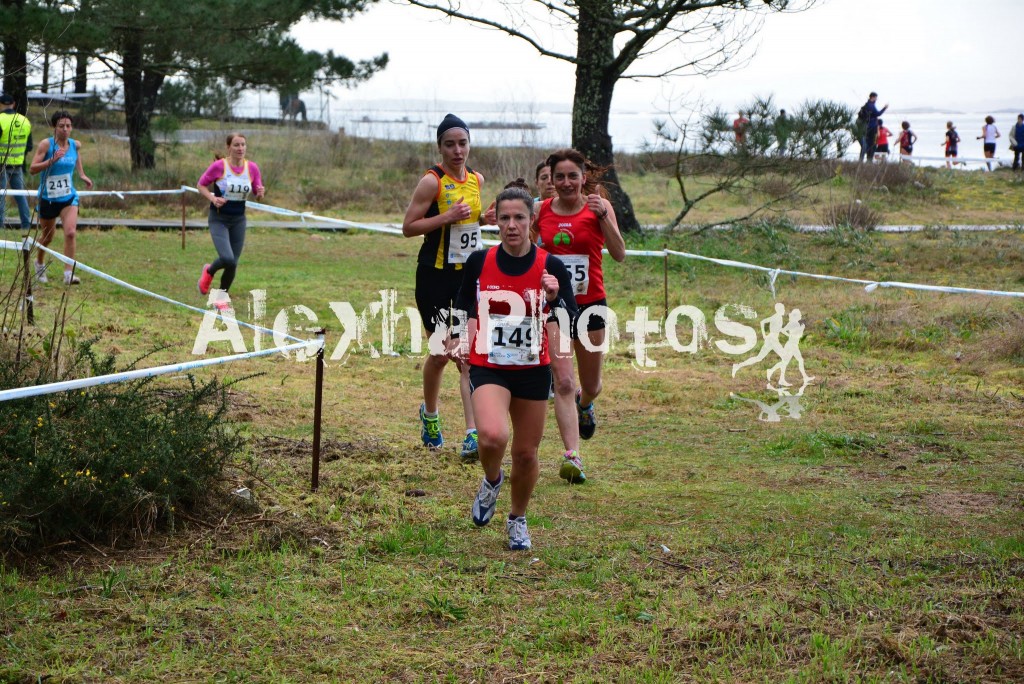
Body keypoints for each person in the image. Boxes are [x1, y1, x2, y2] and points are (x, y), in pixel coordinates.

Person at [450, 179, 576, 551]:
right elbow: (463, 304)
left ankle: (517, 518)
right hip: (490, 363)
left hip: (532, 369)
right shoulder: (480, 261)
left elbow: (573, 315)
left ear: (532, 220)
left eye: (519, 217)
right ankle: (491, 480)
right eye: (504, 218)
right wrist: (458, 337)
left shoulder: (550, 265)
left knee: (525, 454)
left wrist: (553, 298)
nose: (511, 225)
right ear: (496, 222)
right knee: (492, 436)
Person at [402, 114, 494, 459]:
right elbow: (409, 227)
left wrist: (484, 219)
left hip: (467, 277)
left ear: (470, 144)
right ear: (440, 147)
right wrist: (445, 218)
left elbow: (469, 222)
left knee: (466, 356)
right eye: (450, 144)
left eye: (463, 143)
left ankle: (472, 434)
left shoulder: (476, 180)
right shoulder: (432, 182)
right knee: (442, 354)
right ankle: (430, 415)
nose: (458, 150)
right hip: (434, 279)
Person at [535, 148, 626, 484]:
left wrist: (604, 217)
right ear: (551, 179)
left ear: (583, 177)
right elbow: (530, 253)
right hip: (556, 306)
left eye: (573, 176)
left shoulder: (597, 207)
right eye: (559, 176)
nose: (566, 182)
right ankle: (572, 455)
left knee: (591, 385)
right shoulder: (541, 211)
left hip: (591, 305)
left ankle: (585, 405)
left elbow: (619, 253)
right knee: (563, 380)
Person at [196, 133, 265, 310]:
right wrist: (212, 198)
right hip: (219, 218)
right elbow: (201, 185)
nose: (240, 148)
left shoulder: (252, 168)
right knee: (227, 258)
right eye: (236, 145)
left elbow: (257, 193)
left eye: (243, 145)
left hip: (238, 220)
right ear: (229, 148)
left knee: (233, 262)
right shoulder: (219, 166)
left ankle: (221, 298)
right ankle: (209, 270)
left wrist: (260, 193)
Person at [29, 110, 93, 285]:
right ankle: (39, 262)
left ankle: (68, 273)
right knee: (47, 237)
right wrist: (52, 160)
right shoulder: (46, 145)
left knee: (71, 233)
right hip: (48, 198)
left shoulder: (75, 144)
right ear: (54, 127)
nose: (65, 129)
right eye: (61, 126)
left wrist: (81, 174)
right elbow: (32, 169)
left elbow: (77, 153)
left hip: (68, 197)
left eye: (68, 126)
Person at [0, 93, 32, 233]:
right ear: (13, 104)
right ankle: (26, 224)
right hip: (18, 165)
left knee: (1, 196)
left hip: (1, 165)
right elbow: (29, 146)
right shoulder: (25, 121)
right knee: (20, 196)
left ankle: (0, 226)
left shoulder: (0, 120)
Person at [859, 92, 888, 162]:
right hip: (872, 127)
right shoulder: (871, 105)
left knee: (867, 143)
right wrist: (885, 108)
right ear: (873, 97)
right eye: (876, 98)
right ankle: (869, 159)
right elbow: (878, 113)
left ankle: (862, 159)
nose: (876, 99)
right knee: (872, 144)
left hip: (867, 126)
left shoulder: (866, 105)